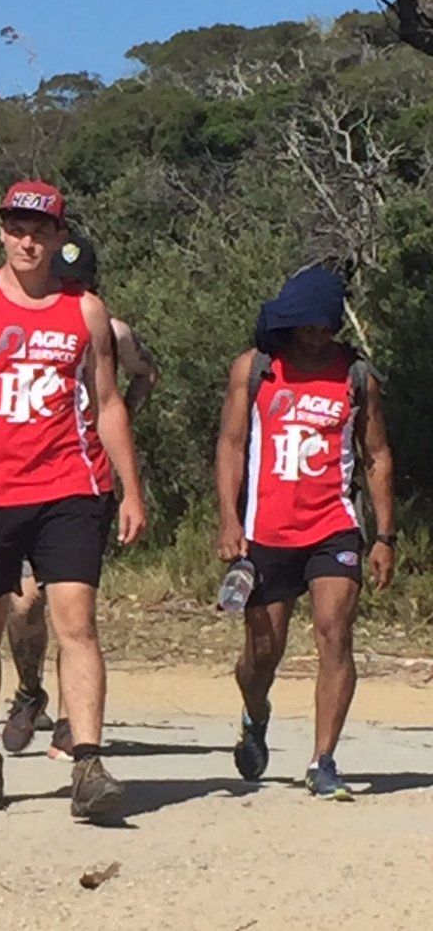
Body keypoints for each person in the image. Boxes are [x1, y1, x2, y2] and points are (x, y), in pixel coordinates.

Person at [0, 180, 146, 814]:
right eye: (17, 227)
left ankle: (88, 763)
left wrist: (130, 489)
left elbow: (106, 403)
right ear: (1, 231)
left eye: (40, 230)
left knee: (77, 620)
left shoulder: (85, 312)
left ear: (57, 237)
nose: (27, 239)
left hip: (69, 485)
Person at [214, 265, 394, 800]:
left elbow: (378, 455)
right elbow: (230, 445)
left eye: (325, 327)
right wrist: (228, 518)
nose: (317, 337)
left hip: (333, 526)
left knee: (334, 632)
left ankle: (323, 759)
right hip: (266, 530)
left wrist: (384, 536)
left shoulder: (357, 376)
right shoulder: (255, 370)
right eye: (308, 327)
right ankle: (255, 712)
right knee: (261, 654)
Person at [2, 233, 160, 760]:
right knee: (22, 603)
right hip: (24, 474)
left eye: (82, 283)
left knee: (74, 609)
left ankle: (74, 724)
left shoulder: (110, 331)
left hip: (83, 478)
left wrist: (120, 423)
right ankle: (29, 689)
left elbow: (144, 374)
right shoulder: (26, 318)